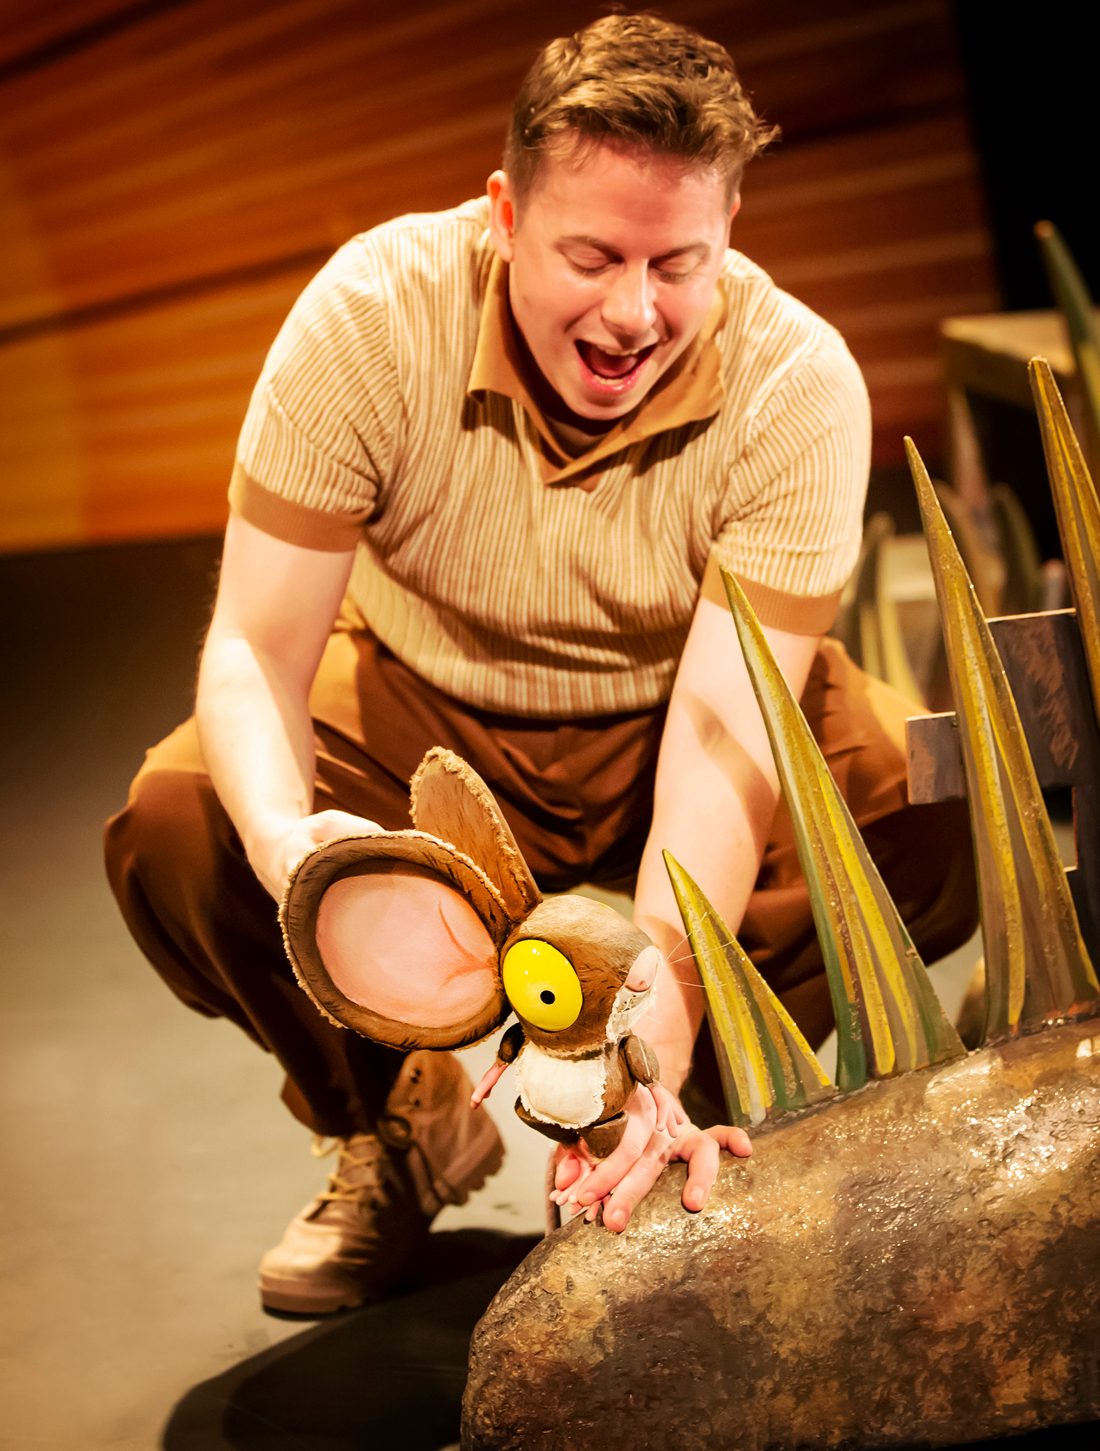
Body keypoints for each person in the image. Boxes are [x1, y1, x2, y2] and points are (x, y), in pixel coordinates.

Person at [105, 13, 976, 1315]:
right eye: (592, 255)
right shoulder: (372, 314)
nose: (633, 313)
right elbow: (253, 646)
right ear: (506, 215)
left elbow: (725, 739)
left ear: (731, 227)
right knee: (187, 818)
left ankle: (687, 1112)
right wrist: (299, 858)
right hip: (423, 706)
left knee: (924, 806)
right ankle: (396, 1121)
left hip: (679, 710)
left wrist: (659, 1020)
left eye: (679, 262)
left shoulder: (798, 385)